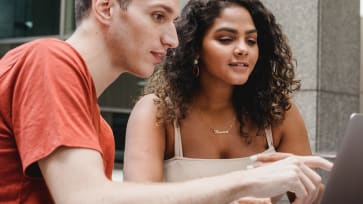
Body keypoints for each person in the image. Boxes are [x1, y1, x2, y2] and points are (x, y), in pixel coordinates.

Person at [0, 0, 332, 203]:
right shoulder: (50, 58)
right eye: (158, 16)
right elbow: (87, 198)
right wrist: (245, 181)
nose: (172, 39)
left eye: (173, 21)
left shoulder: (98, 129)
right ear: (105, 6)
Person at [123, 0, 321, 203]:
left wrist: (310, 196)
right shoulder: (156, 111)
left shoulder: (279, 112)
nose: (243, 49)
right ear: (195, 47)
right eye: (226, 39)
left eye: (251, 41)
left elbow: (309, 193)